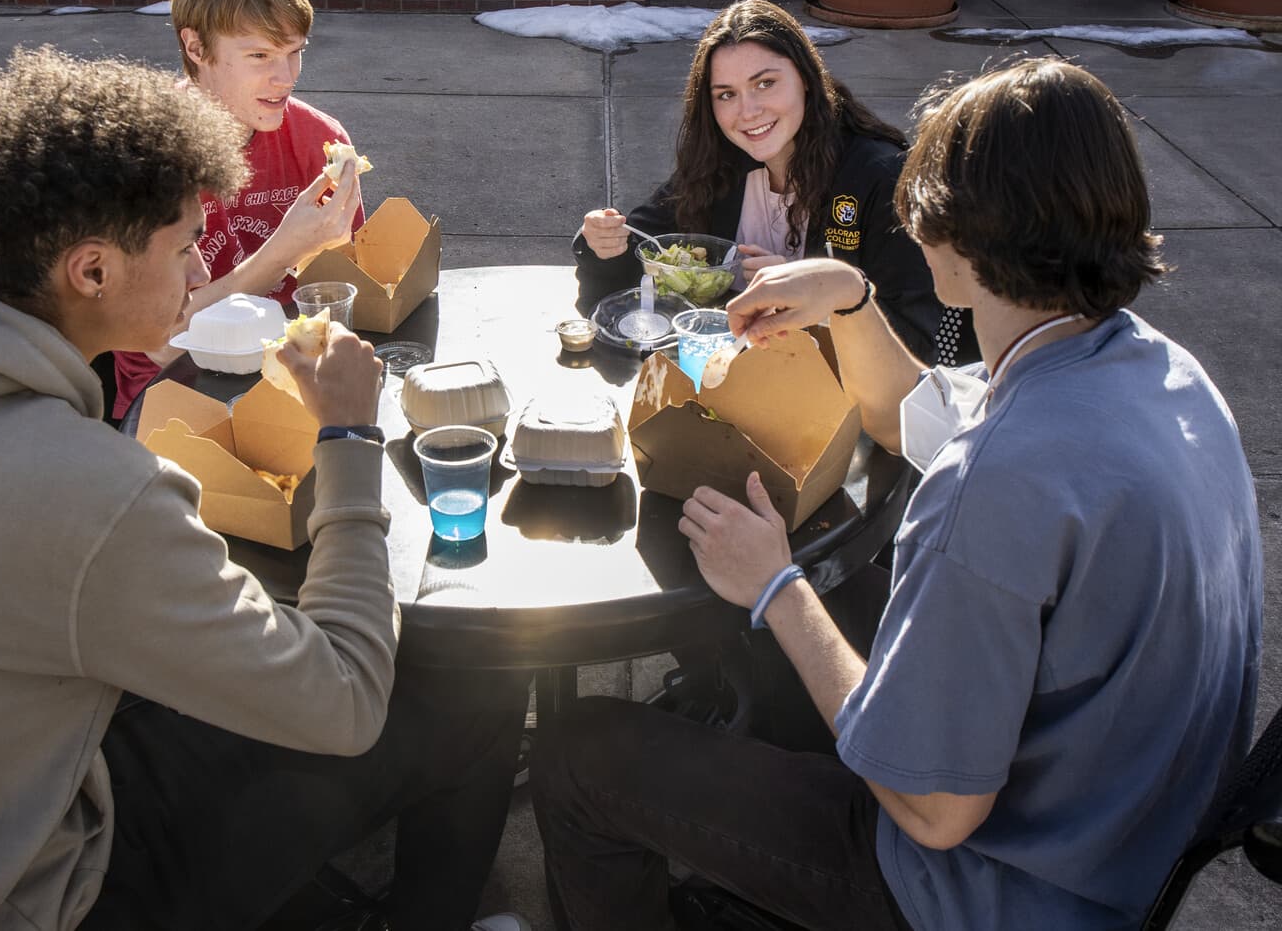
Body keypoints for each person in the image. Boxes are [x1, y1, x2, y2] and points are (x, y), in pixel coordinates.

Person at [0, 46, 526, 931]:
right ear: (91, 271)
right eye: (189, 245)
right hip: (38, 890)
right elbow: (345, 697)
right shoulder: (95, 491)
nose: (203, 273)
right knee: (475, 687)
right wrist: (349, 433)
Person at [533, 57, 1262, 930]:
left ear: (952, 237)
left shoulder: (996, 481)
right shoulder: (1164, 375)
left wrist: (775, 584)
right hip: (1120, 828)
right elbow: (917, 413)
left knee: (581, 757)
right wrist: (851, 297)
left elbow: (934, 808)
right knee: (815, 646)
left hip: (984, 890)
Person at [574, 0, 974, 367]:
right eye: (726, 94)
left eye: (765, 83)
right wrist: (604, 245)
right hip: (737, 389)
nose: (748, 111)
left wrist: (816, 300)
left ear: (806, 78)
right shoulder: (719, 163)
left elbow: (923, 341)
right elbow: (642, 262)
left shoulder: (880, 177)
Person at [111, 0, 368, 420]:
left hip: (292, 384)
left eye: (294, 53)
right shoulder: (145, 154)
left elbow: (343, 297)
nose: (285, 77)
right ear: (195, 47)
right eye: (259, 55)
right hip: (177, 398)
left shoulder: (321, 140)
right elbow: (160, 343)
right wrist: (283, 251)